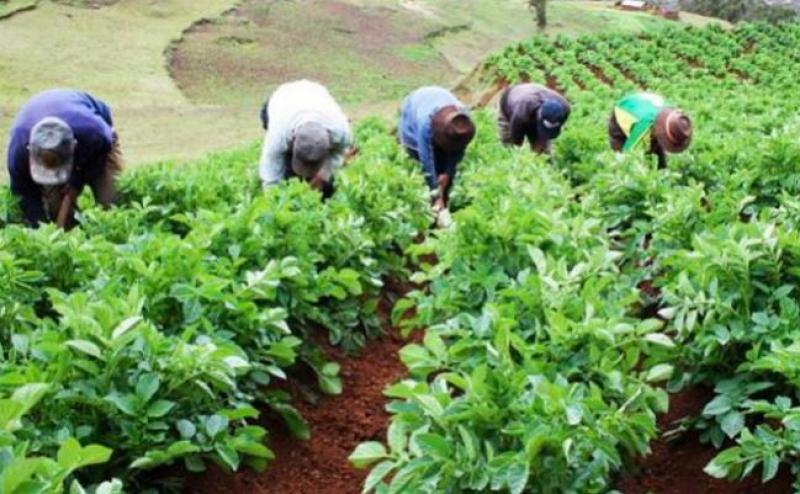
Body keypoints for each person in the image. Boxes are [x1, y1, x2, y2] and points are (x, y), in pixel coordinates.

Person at [7, 89, 122, 228]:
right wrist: (39, 231)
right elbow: (25, 194)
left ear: (73, 147)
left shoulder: (93, 132)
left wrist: (75, 183)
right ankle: (72, 237)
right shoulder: (18, 149)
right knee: (56, 206)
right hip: (57, 135)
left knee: (109, 200)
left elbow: (102, 148)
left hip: (96, 148)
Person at [259, 80, 352, 199]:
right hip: (282, 98)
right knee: (287, 174)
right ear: (292, 139)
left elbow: (338, 154)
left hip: (316, 94)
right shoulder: (278, 135)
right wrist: (275, 202)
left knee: (326, 186)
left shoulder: (340, 130)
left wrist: (322, 175)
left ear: (329, 144)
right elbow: (270, 178)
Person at [399, 86, 475, 228]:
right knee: (425, 177)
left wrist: (447, 173)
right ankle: (427, 216)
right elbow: (426, 162)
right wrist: (436, 193)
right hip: (414, 113)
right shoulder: (425, 124)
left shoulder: (463, 123)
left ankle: (443, 211)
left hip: (442, 114)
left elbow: (457, 151)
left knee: (444, 175)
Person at [608, 92, 693, 169]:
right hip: (622, 113)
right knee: (629, 162)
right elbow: (629, 156)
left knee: (658, 158)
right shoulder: (644, 126)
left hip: (642, 108)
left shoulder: (673, 118)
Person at [498, 83, 571, 154]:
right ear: (539, 116)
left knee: (544, 152)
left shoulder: (565, 109)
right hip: (510, 101)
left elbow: (545, 136)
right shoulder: (521, 113)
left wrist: (539, 148)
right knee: (508, 147)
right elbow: (516, 142)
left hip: (534, 97)